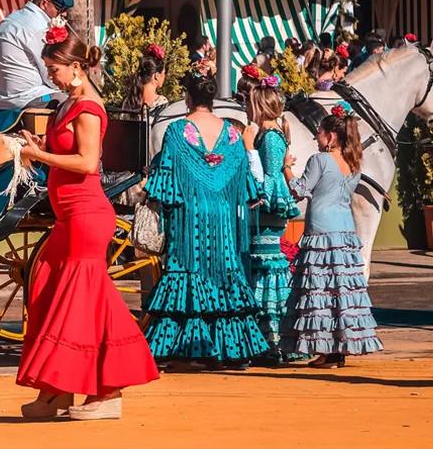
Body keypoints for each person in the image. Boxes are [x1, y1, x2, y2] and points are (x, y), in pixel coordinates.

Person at [14, 23, 158, 420]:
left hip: (86, 215)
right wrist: (42, 148)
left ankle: (107, 390)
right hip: (69, 216)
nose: (49, 75)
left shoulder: (89, 107)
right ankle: (58, 388)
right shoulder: (66, 103)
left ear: (75, 67)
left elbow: (88, 162)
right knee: (46, 283)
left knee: (85, 300)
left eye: (53, 68)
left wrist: (40, 157)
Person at [143, 62, 269, 369]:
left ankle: (182, 348)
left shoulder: (176, 131)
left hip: (190, 216)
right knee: (225, 271)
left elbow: (166, 180)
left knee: (187, 272)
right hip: (223, 215)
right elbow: (245, 179)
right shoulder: (231, 133)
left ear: (187, 97)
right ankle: (229, 349)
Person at [280, 103, 383, 368]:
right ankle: (337, 351)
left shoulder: (321, 160)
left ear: (331, 136)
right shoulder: (354, 162)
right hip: (345, 231)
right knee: (341, 292)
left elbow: (300, 190)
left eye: (319, 132)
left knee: (321, 291)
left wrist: (286, 168)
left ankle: (327, 351)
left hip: (322, 231)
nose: (316, 137)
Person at [242, 80, 301, 363]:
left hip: (267, 206)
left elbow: (268, 176)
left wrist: (249, 149)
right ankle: (271, 337)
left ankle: (271, 340)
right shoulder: (273, 134)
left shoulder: (269, 137)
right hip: (269, 206)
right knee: (263, 265)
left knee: (265, 266)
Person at [0, 0, 73, 109]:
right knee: (77, 104)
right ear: (44, 4)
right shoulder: (39, 26)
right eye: (60, 9)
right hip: (27, 98)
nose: (64, 14)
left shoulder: (11, 19)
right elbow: (51, 76)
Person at [121, 44, 168, 112]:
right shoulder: (161, 103)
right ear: (156, 76)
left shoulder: (129, 101)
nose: (164, 77)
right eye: (164, 73)